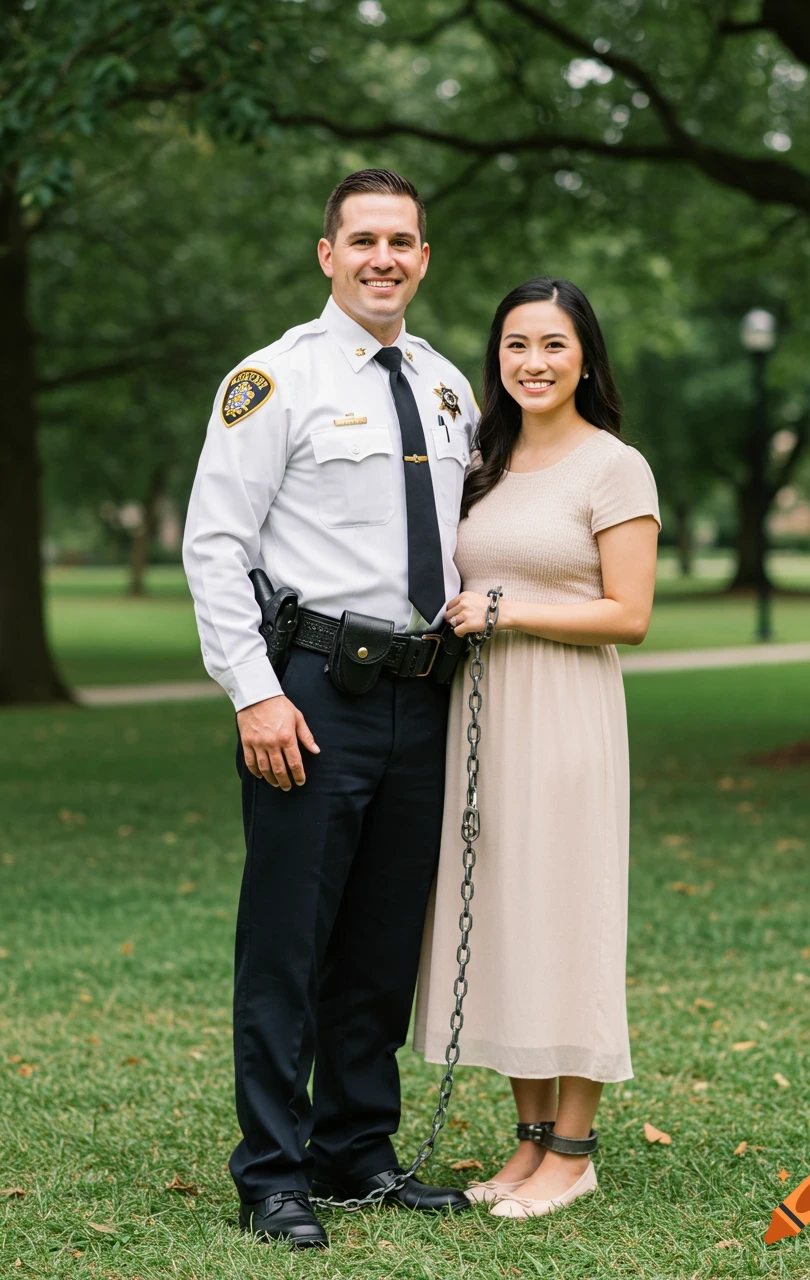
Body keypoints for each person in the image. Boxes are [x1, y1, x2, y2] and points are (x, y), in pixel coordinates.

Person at [183, 169, 476, 1249]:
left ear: (423, 257)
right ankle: (271, 1170)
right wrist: (252, 692)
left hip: (421, 691)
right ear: (327, 254)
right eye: (362, 239)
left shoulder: (451, 387)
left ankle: (356, 1150)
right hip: (308, 690)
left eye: (401, 240)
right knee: (288, 937)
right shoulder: (273, 378)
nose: (383, 257)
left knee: (379, 939)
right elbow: (214, 543)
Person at [414, 277, 661, 1219]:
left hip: (566, 713)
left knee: (568, 913)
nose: (534, 363)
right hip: (479, 713)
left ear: (585, 357)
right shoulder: (481, 458)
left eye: (553, 345)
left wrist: (509, 610)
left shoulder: (614, 466)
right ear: (498, 359)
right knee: (506, 912)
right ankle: (526, 1145)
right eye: (516, 345)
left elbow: (629, 615)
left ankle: (575, 1150)